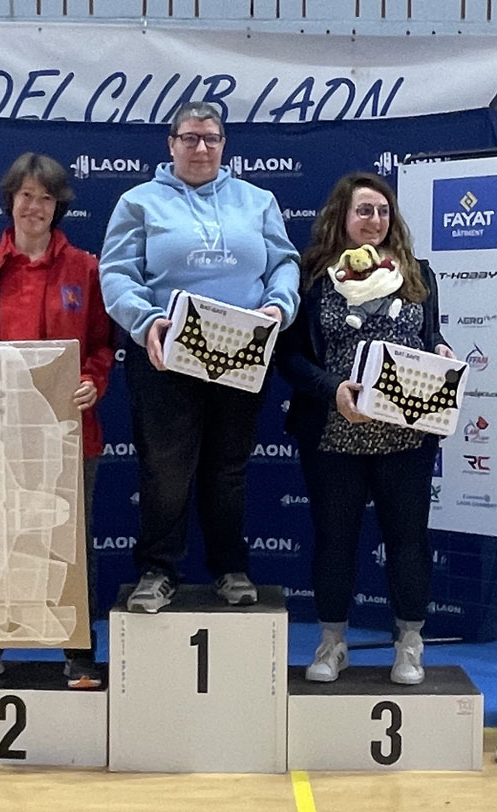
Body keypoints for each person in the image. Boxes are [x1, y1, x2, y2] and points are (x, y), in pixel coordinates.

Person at [99, 101, 300, 613]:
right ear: (171, 144)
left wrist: (279, 306)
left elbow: (284, 263)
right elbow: (117, 274)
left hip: (241, 348)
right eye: (189, 138)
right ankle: (158, 571)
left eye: (211, 138)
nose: (201, 147)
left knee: (228, 468)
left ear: (224, 145)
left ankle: (230, 568)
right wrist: (146, 321)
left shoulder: (257, 200)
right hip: (166, 352)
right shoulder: (138, 202)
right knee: (166, 469)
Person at [0, 152, 114, 689]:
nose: (34, 207)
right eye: (26, 195)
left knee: (67, 542)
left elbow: (102, 346)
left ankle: (78, 651)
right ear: (10, 200)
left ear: (58, 206)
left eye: (45, 198)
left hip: (67, 433)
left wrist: (93, 382)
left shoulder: (85, 269)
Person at [275, 172, 453, 686]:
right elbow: (289, 357)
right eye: (364, 211)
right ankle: (332, 643)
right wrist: (333, 389)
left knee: (408, 540)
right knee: (335, 540)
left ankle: (410, 643)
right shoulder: (312, 276)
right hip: (334, 430)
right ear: (343, 216)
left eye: (382, 211)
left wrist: (441, 349)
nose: (375, 220)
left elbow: (431, 335)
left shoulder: (417, 273)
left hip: (406, 432)